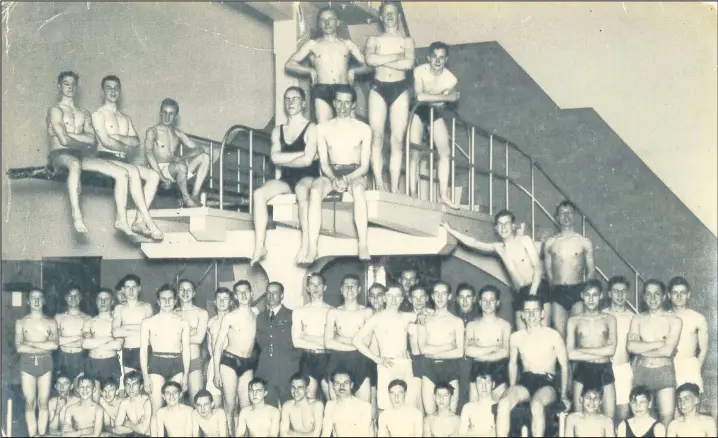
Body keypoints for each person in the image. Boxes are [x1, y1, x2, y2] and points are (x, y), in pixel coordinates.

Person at [442, 210, 549, 330]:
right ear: (496, 228)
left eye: (506, 223)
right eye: (500, 224)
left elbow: (538, 267)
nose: (503, 227)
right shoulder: (499, 248)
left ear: (513, 226)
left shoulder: (524, 240)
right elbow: (473, 243)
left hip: (537, 288)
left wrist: (533, 293)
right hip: (520, 292)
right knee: (522, 334)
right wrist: (450, 230)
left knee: (542, 332)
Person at [251, 87, 320, 265]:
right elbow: (275, 158)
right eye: (287, 99)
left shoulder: (311, 128)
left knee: (301, 191)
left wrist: (284, 159)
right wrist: (300, 156)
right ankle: (260, 245)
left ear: (303, 103)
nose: (291, 103)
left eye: (295, 99)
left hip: (308, 176)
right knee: (258, 194)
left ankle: (306, 244)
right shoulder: (278, 131)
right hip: (286, 179)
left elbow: (307, 162)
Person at [304, 85, 373, 263]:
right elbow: (324, 163)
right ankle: (312, 247)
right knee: (314, 191)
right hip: (331, 172)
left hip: (355, 172)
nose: (343, 107)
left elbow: (365, 166)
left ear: (353, 105)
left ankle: (363, 244)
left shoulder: (364, 129)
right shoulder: (323, 128)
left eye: (347, 103)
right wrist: (334, 179)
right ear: (334, 103)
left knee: (358, 190)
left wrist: (347, 179)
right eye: (339, 102)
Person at [90, 75, 164, 240]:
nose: (113, 91)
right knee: (132, 171)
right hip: (106, 158)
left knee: (153, 175)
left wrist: (117, 136)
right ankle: (149, 222)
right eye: (109, 88)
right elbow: (106, 142)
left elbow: (136, 141)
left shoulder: (125, 118)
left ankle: (138, 221)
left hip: (122, 161)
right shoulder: (98, 115)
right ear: (103, 92)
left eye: (116, 87)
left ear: (120, 91)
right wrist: (124, 143)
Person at [496, 296, 570, 438]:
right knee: (503, 403)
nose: (531, 315)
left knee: (536, 405)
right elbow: (512, 364)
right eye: (527, 311)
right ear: (522, 315)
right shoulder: (516, 337)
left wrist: (564, 395)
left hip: (547, 382)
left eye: (535, 310)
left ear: (542, 313)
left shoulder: (553, 335)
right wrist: (512, 387)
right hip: (525, 381)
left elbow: (565, 366)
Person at [285, 7, 370, 123]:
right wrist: (310, 71)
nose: (327, 23)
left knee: (346, 127)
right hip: (322, 89)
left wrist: (354, 71)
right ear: (319, 23)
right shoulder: (313, 44)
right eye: (323, 20)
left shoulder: (347, 44)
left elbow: (369, 65)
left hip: (343, 88)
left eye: (330, 19)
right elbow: (289, 64)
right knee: (323, 127)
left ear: (337, 22)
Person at [365, 1, 416, 193]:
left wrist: (383, 59)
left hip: (400, 89)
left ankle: (394, 187)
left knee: (397, 140)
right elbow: (370, 60)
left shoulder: (407, 41)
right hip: (378, 87)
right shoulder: (373, 39)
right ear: (380, 16)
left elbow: (408, 64)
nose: (389, 16)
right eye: (386, 13)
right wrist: (396, 56)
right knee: (376, 138)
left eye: (393, 13)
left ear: (398, 16)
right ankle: (379, 182)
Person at [353, 285, 422, 412]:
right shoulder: (377, 318)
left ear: (402, 299)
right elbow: (356, 340)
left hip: (405, 365)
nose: (393, 299)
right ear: (384, 298)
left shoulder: (409, 316)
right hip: (386, 365)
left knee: (408, 406)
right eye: (390, 296)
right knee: (385, 407)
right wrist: (376, 358)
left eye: (397, 296)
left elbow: (426, 319)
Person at [408, 41, 460, 208]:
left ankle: (443, 195)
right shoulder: (419, 71)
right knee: (415, 153)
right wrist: (445, 97)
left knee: (445, 152)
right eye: (434, 57)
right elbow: (419, 97)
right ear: (428, 57)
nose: (437, 61)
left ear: (446, 60)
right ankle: (413, 194)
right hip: (417, 110)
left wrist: (431, 98)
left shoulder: (450, 79)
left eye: (442, 58)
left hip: (434, 114)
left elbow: (432, 100)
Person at [46, 71, 97, 233]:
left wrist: (70, 136)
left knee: (117, 170)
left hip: (79, 156)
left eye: (73, 84)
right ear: (59, 86)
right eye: (66, 83)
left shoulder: (84, 113)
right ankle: (77, 216)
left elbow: (93, 140)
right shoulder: (55, 110)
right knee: (74, 164)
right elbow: (64, 141)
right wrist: (82, 140)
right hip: (59, 155)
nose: (70, 87)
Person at [627, 279, 682, 427]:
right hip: (641, 372)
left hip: (664, 372)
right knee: (642, 422)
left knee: (666, 422)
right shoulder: (637, 318)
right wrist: (658, 344)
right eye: (649, 294)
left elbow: (668, 350)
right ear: (644, 297)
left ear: (664, 296)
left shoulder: (674, 320)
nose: (652, 298)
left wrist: (642, 348)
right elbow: (631, 347)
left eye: (657, 294)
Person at [139, 285, 190, 435]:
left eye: (170, 299)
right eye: (163, 299)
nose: (167, 302)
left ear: (175, 301)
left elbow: (186, 349)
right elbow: (143, 351)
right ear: (158, 301)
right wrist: (145, 376)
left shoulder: (182, 323)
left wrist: (186, 374)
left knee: (177, 407)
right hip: (156, 363)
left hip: (176, 362)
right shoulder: (148, 323)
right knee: (157, 408)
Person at [543, 200, 596, 338]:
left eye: (570, 213)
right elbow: (548, 270)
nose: (566, 216)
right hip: (558, 291)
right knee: (560, 335)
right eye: (562, 213)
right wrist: (553, 289)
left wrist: (585, 292)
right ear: (557, 217)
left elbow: (591, 270)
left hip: (577, 291)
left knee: (577, 333)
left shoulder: (583, 242)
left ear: (575, 216)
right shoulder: (550, 243)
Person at [145, 98, 210, 207]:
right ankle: (186, 199)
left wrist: (183, 156)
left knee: (205, 157)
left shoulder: (177, 133)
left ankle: (194, 196)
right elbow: (149, 154)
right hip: (160, 170)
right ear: (160, 113)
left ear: (175, 116)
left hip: (176, 169)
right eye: (164, 112)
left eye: (171, 114)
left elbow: (199, 149)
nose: (167, 116)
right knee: (180, 166)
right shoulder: (153, 131)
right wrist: (161, 177)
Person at [213, 280, 259, 435]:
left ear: (252, 294)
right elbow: (218, 345)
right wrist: (217, 372)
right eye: (239, 292)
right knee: (230, 406)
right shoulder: (230, 317)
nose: (244, 294)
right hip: (229, 362)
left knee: (246, 407)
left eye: (246, 290)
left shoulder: (256, 314)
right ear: (236, 297)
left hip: (248, 363)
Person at [566, 280, 617, 419]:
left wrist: (582, 350)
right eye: (587, 295)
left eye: (595, 295)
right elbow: (570, 354)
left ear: (601, 296)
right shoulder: (574, 321)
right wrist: (600, 351)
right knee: (579, 418)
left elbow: (611, 351)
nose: (591, 299)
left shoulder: (609, 319)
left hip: (605, 369)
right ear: (582, 295)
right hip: (583, 370)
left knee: (609, 419)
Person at [16, 288, 59, 438]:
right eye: (33, 298)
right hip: (27, 364)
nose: (36, 301)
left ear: (44, 300)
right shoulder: (21, 322)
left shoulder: (51, 322)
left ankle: (41, 434)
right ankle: (32, 435)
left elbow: (54, 345)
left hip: (46, 363)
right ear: (28, 301)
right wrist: (42, 344)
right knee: (29, 402)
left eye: (40, 297)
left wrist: (31, 344)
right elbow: (19, 347)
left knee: (43, 401)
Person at [325, 275, 374, 402]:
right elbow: (328, 343)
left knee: (364, 406)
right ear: (341, 289)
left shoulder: (367, 312)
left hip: (360, 362)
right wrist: (356, 343)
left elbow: (367, 342)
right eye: (346, 286)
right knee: (337, 407)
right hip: (338, 362)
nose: (350, 288)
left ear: (359, 289)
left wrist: (339, 337)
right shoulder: (333, 312)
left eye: (353, 285)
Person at [418, 281, 465, 414]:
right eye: (436, 294)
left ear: (449, 296)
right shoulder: (424, 319)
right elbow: (423, 349)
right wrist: (448, 346)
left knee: (451, 413)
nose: (440, 297)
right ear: (432, 296)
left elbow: (459, 352)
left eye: (444, 294)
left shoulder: (457, 322)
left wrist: (435, 354)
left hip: (450, 367)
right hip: (429, 368)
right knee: (430, 413)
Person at [255, 282, 301, 408]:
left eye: (275, 292)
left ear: (282, 295)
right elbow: (260, 342)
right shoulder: (260, 317)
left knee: (291, 408)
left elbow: (298, 344)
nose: (271, 295)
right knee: (269, 410)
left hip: (288, 371)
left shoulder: (292, 315)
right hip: (266, 371)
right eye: (268, 293)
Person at [465, 285, 511, 402]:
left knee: (498, 410)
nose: (488, 303)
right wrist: (494, 347)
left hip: (499, 369)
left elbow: (506, 352)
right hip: (477, 370)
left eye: (491, 300)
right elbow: (468, 350)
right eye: (484, 300)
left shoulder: (504, 325)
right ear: (479, 302)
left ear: (497, 302)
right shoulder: (472, 325)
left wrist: (481, 355)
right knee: (475, 409)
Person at [292, 273, 333, 400]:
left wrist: (307, 337)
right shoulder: (299, 311)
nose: (315, 288)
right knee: (309, 400)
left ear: (325, 287)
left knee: (332, 398)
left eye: (319, 284)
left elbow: (333, 341)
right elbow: (296, 342)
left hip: (328, 358)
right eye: (312, 284)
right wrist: (322, 340)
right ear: (308, 288)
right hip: (308, 358)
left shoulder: (332, 311)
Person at [602, 275, 636, 422]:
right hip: (604, 369)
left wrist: (632, 368)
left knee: (623, 417)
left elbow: (638, 347)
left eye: (623, 291)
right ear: (609, 293)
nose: (620, 295)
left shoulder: (633, 317)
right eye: (616, 291)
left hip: (624, 369)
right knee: (605, 417)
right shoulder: (601, 314)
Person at [668, 276, 708, 392]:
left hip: (690, 366)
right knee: (670, 407)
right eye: (675, 293)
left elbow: (704, 350)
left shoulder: (698, 318)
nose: (679, 296)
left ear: (688, 295)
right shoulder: (664, 317)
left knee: (692, 406)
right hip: (668, 367)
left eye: (683, 292)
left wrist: (695, 368)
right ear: (669, 295)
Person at [82, 289, 123, 400]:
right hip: (92, 363)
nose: (103, 302)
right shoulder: (89, 322)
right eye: (100, 299)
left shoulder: (117, 322)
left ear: (112, 302)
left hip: (110, 363)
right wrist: (109, 338)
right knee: (93, 399)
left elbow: (118, 345)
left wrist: (95, 342)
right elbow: (85, 344)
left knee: (110, 399)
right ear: (96, 302)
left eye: (106, 299)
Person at [174, 278, 209, 402]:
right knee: (175, 404)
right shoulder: (172, 313)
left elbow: (199, 339)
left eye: (189, 290)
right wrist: (191, 332)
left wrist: (180, 336)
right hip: (175, 361)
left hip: (194, 361)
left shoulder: (201, 313)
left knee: (197, 401)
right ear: (178, 292)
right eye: (182, 289)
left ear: (194, 293)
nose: (185, 292)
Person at [112, 274, 154, 375]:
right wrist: (140, 329)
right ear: (123, 289)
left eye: (134, 287)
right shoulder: (119, 309)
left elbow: (151, 332)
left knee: (147, 385)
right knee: (130, 385)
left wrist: (126, 329)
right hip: (128, 351)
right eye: (127, 287)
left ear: (139, 288)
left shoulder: (147, 307)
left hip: (145, 350)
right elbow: (115, 333)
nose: (131, 291)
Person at [406, 284, 434, 411]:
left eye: (422, 297)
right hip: (414, 362)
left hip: (431, 360)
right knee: (416, 402)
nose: (418, 300)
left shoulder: (434, 315)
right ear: (410, 299)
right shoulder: (405, 317)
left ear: (427, 298)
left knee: (430, 402)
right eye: (415, 297)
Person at [321, 370, 374, 437]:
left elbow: (366, 434)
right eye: (337, 383)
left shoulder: (364, 407)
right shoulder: (330, 406)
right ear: (333, 386)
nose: (341, 387)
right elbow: (325, 433)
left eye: (345, 383)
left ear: (351, 385)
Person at [55, 286, 91, 381]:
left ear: (81, 297)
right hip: (62, 358)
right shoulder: (58, 317)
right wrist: (79, 337)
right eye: (70, 295)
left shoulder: (87, 318)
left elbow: (87, 343)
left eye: (76, 295)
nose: (73, 298)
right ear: (66, 298)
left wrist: (64, 340)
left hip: (79, 358)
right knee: (62, 388)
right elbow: (56, 341)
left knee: (79, 389)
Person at [206, 287, 232, 407]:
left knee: (231, 403)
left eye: (225, 298)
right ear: (215, 302)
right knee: (215, 404)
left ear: (231, 302)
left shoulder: (235, 319)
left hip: (231, 362)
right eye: (219, 299)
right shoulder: (210, 322)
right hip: (214, 364)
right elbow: (209, 346)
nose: (222, 302)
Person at [280, 373, 325, 437]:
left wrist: (292, 433)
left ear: (307, 389)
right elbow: (283, 434)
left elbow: (316, 435)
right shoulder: (287, 406)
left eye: (300, 387)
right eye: (293, 387)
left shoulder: (317, 406)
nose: (296, 391)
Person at [111, 371, 152, 437]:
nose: (131, 388)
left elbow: (143, 430)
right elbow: (117, 429)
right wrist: (137, 427)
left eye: (134, 384)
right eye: (128, 384)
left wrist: (128, 423)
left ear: (141, 386)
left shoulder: (147, 402)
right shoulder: (124, 403)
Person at [459, 372, 499, 437]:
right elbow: (461, 434)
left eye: (488, 382)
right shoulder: (468, 408)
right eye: (480, 383)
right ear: (475, 385)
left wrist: (472, 434)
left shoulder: (499, 407)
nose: (484, 387)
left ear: (493, 384)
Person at [48, 371, 80, 436]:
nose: (62, 387)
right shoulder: (52, 402)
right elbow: (52, 430)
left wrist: (73, 432)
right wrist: (57, 412)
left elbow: (85, 428)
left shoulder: (78, 401)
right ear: (55, 386)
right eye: (59, 384)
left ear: (71, 386)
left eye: (65, 384)